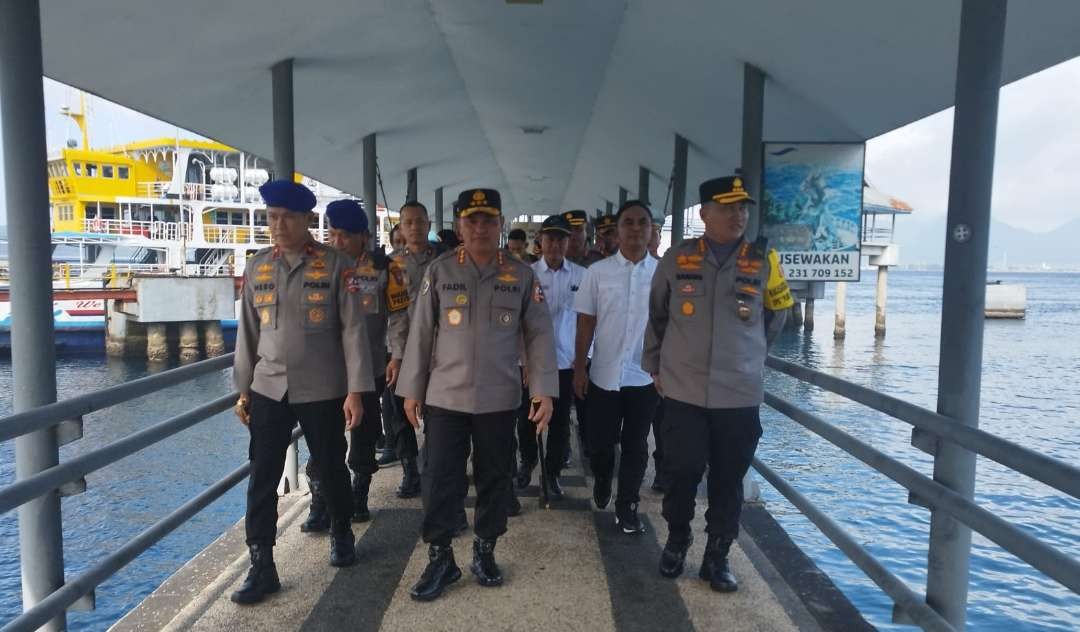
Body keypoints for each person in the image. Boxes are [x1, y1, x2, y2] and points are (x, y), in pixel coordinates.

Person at [397, 188, 557, 602]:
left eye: (488, 220)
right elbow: (420, 334)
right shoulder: (441, 270)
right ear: (459, 226)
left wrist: (543, 391)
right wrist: (411, 390)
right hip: (444, 397)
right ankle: (440, 557)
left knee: (494, 478)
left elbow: (538, 335)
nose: (481, 227)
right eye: (472, 220)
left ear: (501, 224)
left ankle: (485, 550)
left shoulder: (521, 275)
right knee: (438, 478)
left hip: (498, 397)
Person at [643, 175, 793, 592]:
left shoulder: (766, 260)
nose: (738, 214)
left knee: (730, 479)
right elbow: (657, 316)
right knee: (681, 470)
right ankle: (676, 540)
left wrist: (748, 356)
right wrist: (655, 367)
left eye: (743, 207)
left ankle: (718, 555)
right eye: (728, 207)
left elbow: (777, 315)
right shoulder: (677, 258)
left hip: (738, 394)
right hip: (683, 390)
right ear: (704, 213)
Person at [231, 180, 374, 604]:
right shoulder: (257, 267)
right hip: (269, 387)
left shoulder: (335, 266)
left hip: (322, 386)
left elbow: (353, 332)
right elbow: (248, 334)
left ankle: (342, 531)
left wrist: (356, 391)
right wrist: (242, 391)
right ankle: (262, 564)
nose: (277, 225)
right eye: (272, 217)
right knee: (262, 476)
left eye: (287, 218)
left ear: (307, 220)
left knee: (331, 466)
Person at [300, 198, 409, 526]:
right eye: (332, 235)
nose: (337, 242)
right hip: (324, 371)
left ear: (364, 235)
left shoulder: (386, 269)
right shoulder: (315, 266)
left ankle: (359, 497)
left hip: (369, 368)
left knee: (362, 438)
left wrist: (398, 356)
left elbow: (400, 316)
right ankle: (320, 505)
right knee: (321, 439)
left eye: (345, 236)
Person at [573, 200, 659, 534]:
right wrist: (579, 369)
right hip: (603, 375)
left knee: (637, 445)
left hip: (644, 377)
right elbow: (585, 325)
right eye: (628, 223)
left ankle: (628, 506)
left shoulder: (662, 273)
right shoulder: (598, 272)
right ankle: (603, 477)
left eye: (642, 223)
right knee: (600, 444)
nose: (636, 229)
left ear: (652, 231)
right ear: (617, 230)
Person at [513, 214, 584, 499]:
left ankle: (551, 475)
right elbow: (518, 323)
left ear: (569, 242)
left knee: (559, 423)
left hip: (564, 362)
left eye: (561, 239)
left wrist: (583, 360)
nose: (555, 244)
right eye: (550, 238)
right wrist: (525, 360)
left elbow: (588, 321)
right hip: (530, 363)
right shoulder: (526, 274)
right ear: (540, 241)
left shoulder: (582, 276)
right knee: (526, 419)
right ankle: (528, 461)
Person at [385, 201, 444, 498]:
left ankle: (435, 467)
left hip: (439, 351)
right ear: (400, 227)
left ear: (428, 224)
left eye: (420, 221)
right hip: (404, 350)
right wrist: (396, 355)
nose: (414, 227)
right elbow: (396, 315)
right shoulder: (393, 265)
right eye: (408, 222)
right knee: (399, 415)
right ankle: (410, 471)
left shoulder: (445, 261)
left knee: (438, 414)